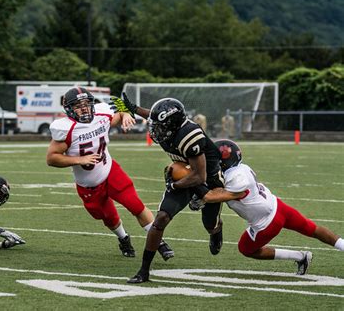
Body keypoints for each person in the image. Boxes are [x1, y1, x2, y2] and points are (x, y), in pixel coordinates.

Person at [46, 87, 174, 260]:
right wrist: (78, 160)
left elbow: (118, 115)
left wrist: (125, 114)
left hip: (110, 171)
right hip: (89, 185)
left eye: (86, 104)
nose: (84, 108)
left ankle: (159, 242)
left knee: (135, 205)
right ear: (69, 109)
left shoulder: (101, 115)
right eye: (78, 105)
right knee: (108, 217)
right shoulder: (66, 129)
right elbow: (51, 158)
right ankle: (123, 238)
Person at [111, 94, 224, 283]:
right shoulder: (168, 125)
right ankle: (144, 271)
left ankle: (216, 230)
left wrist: (174, 184)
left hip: (207, 179)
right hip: (184, 172)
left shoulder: (189, 136)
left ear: (172, 125)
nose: (155, 129)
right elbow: (154, 116)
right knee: (161, 218)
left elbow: (199, 176)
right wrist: (134, 109)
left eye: (160, 126)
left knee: (209, 223)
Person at [190, 139, 344, 275]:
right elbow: (220, 190)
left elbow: (213, 196)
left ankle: (300, 256)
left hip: (266, 222)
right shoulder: (241, 168)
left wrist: (196, 188)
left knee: (245, 248)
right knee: (313, 229)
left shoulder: (236, 178)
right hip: (278, 206)